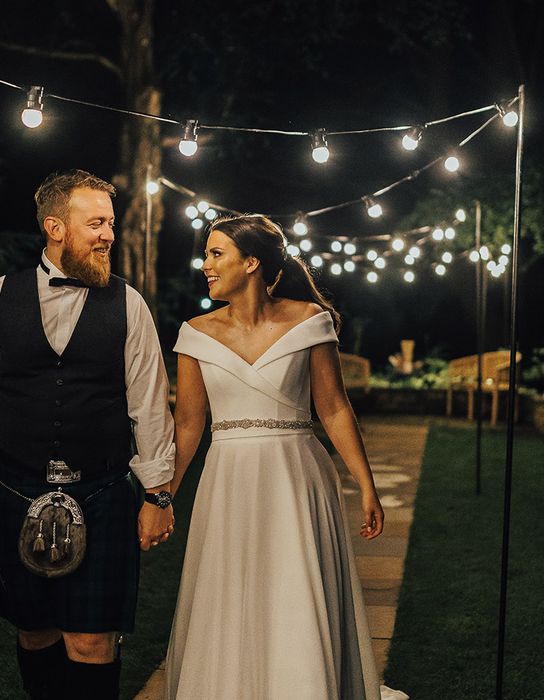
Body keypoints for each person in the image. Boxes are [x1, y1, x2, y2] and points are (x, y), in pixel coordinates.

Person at [0, 169, 176, 700]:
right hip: (16, 489)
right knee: (35, 630)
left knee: (92, 640)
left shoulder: (129, 304)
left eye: (110, 223)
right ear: (55, 228)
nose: (109, 235)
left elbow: (150, 406)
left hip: (104, 491)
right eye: (96, 223)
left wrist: (159, 493)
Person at [165, 215, 408, 699]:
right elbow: (189, 424)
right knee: (230, 593)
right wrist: (161, 496)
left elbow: (334, 407)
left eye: (217, 254)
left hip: (296, 475)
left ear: (251, 262)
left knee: (295, 589)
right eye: (207, 254)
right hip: (228, 479)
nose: (205, 265)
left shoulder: (308, 321)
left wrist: (367, 486)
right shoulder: (193, 333)